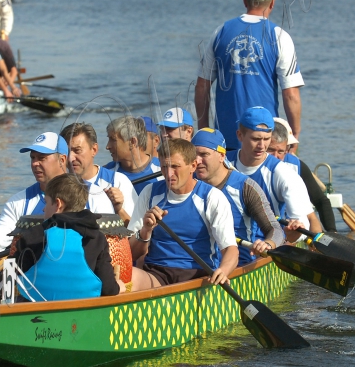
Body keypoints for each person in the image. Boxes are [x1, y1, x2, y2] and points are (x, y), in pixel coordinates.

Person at [0, 132, 116, 271]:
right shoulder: (19, 201)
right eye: (32, 158)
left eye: (42, 158)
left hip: (84, 275)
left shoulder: (95, 195)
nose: (35, 163)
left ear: (62, 160)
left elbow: (109, 247)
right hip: (33, 279)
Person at [195, 0, 305, 150]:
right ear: (272, 3)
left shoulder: (221, 31)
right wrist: (294, 135)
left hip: (224, 141)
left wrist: (204, 129)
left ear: (245, 1)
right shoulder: (280, 36)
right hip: (264, 142)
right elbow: (290, 94)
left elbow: (202, 86)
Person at [128, 139, 239, 291]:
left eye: (175, 167)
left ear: (193, 166)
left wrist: (224, 270)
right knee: (125, 279)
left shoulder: (212, 197)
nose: (169, 174)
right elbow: (131, 255)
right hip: (157, 275)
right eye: (164, 167)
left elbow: (230, 250)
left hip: (198, 276)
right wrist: (146, 231)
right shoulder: (149, 193)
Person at [13, 174, 123, 303]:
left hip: (37, 314)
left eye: (46, 202)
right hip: (82, 313)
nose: (43, 208)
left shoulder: (34, 236)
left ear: (58, 204)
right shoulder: (96, 238)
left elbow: (9, 275)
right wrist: (119, 287)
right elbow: (108, 289)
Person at [192, 128, 285, 266]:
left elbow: (275, 230)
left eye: (204, 154)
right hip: (196, 266)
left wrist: (267, 244)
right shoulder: (187, 181)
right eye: (193, 155)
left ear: (222, 156)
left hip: (238, 267)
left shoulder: (246, 187)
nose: (197, 161)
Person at [226, 107, 321, 242]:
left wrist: (293, 234)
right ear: (240, 135)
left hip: (265, 246)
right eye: (256, 139)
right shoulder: (222, 163)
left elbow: (303, 227)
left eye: (266, 139)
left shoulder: (284, 174)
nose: (261, 146)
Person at [60, 123, 138, 225]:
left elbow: (137, 232)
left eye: (77, 150)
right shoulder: (57, 186)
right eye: (66, 151)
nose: (70, 158)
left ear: (94, 150)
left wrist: (119, 210)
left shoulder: (118, 181)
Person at [268, 118, 337, 232]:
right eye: (271, 150)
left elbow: (320, 202)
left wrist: (332, 232)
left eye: (281, 151)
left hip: (291, 228)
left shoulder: (295, 165)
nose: (276, 157)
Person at [104, 116, 162, 195]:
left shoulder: (163, 170)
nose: (107, 146)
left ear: (133, 142)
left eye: (113, 140)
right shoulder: (105, 173)